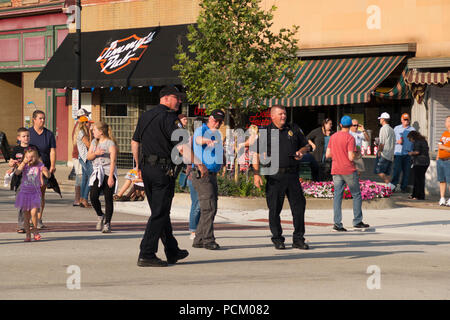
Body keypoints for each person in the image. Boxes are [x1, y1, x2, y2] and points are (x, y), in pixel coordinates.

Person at [131, 85, 195, 267]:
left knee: (161, 212)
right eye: (177, 98)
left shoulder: (145, 116)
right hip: (162, 171)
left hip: (147, 169)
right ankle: (147, 253)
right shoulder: (170, 118)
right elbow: (183, 146)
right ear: (166, 98)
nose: (180, 101)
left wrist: (138, 167)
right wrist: (195, 163)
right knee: (159, 213)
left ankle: (172, 250)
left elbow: (135, 142)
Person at [253, 105, 311, 250]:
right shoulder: (265, 132)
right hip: (274, 175)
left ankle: (298, 239)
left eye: (284, 114)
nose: (283, 116)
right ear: (272, 116)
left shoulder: (294, 129)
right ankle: (277, 238)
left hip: (292, 174)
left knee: (299, 208)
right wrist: (256, 174)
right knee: (274, 209)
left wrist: (301, 151)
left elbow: (306, 146)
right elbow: (257, 154)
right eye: (280, 114)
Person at [326, 115, 370, 232]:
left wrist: (338, 154)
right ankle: (357, 221)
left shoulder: (333, 137)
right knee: (356, 195)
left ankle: (337, 223)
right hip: (348, 170)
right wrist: (358, 153)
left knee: (337, 196)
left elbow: (328, 155)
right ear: (350, 126)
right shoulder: (350, 138)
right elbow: (351, 157)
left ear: (340, 125)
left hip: (336, 169)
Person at [191, 109, 225, 250]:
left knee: (212, 207)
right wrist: (208, 140)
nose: (217, 124)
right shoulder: (202, 129)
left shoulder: (216, 134)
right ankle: (208, 240)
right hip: (202, 173)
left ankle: (199, 238)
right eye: (215, 120)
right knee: (208, 207)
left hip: (212, 174)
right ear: (209, 118)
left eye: (220, 122)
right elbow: (198, 140)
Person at [87, 121, 118, 233]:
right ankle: (100, 215)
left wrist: (110, 177)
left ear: (100, 132)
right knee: (93, 196)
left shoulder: (110, 143)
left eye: (94, 130)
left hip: (107, 172)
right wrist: (96, 153)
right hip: (97, 172)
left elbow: (113, 160)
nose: (93, 132)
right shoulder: (94, 142)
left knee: (108, 198)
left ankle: (107, 223)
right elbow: (89, 156)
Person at [6, 128, 39, 233]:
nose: (26, 138)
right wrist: (11, 165)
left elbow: (38, 162)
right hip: (19, 179)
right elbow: (11, 162)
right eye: (24, 136)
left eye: (28, 136)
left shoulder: (33, 148)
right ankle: (22, 225)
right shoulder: (15, 149)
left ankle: (29, 223)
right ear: (19, 138)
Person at [14, 148, 50, 242]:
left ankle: (35, 230)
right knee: (26, 215)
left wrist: (46, 171)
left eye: (32, 157)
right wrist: (23, 163)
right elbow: (17, 172)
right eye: (27, 157)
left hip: (35, 193)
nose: (30, 159)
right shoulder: (24, 166)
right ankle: (28, 234)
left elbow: (48, 175)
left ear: (37, 157)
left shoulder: (39, 165)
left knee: (34, 213)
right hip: (25, 193)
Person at [28, 110, 56, 229]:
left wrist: (53, 166)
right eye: (40, 118)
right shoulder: (28, 133)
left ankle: (38, 218)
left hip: (44, 167)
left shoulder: (49, 134)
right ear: (34, 119)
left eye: (44, 118)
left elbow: (52, 151)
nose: (42, 120)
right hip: (30, 168)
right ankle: (29, 218)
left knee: (40, 194)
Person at [391, 113, 415, 192]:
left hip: (407, 154)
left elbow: (415, 142)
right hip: (398, 153)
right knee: (396, 171)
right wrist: (397, 142)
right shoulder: (396, 128)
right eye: (404, 119)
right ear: (401, 120)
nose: (406, 121)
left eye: (407, 119)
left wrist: (412, 152)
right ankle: (393, 187)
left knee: (406, 172)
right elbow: (391, 140)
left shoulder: (412, 130)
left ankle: (403, 188)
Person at [76, 111, 94, 208]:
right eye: (88, 123)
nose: (89, 124)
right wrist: (91, 134)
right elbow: (89, 145)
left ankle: (82, 199)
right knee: (92, 177)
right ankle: (85, 199)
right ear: (84, 123)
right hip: (85, 158)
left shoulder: (82, 132)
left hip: (83, 157)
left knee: (85, 178)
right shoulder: (82, 132)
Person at [374, 112, 396, 190]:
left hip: (384, 153)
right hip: (390, 154)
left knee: (378, 170)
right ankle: (389, 187)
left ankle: (390, 186)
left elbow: (382, 142)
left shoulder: (383, 129)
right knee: (387, 172)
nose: (380, 120)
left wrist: (379, 151)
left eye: (380, 119)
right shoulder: (392, 129)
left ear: (383, 120)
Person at [407, 131, 430, 200]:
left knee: (417, 179)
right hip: (426, 162)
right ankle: (419, 195)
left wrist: (411, 153)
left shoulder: (417, 142)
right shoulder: (423, 141)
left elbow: (417, 152)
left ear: (412, 137)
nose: (410, 140)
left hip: (419, 162)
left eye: (410, 139)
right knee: (421, 179)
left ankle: (417, 195)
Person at [436, 116, 450, 206]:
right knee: (442, 180)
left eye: (448, 121)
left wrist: (443, 147)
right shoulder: (444, 133)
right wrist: (438, 156)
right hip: (440, 160)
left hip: (448, 161)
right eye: (446, 121)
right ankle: (442, 198)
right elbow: (439, 145)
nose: (446, 123)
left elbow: (442, 146)